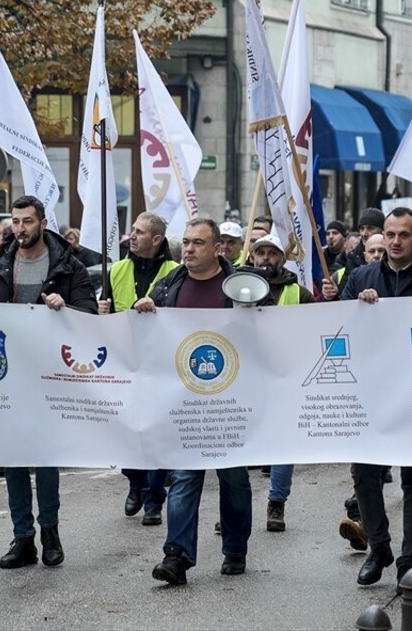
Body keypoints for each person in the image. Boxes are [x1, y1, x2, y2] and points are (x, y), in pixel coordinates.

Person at [0, 195, 97, 570]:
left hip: (50, 373)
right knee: (13, 455)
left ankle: (50, 531)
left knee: (45, 455)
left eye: (27, 222)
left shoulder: (68, 265)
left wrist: (64, 307)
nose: (20, 229)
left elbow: (88, 312)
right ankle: (23, 537)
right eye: (15, 221)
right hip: (7, 373)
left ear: (42, 222)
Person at [339, 207, 412, 587]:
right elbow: (336, 326)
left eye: (403, 235)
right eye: (389, 234)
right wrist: (355, 306)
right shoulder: (360, 278)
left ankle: (408, 557)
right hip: (371, 394)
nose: (394, 241)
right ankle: (378, 547)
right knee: (365, 474)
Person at [136, 218, 254, 585]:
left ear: (217, 248)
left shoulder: (239, 287)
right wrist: (143, 309)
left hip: (230, 403)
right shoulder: (170, 285)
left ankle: (235, 548)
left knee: (234, 480)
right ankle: (177, 556)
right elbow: (146, 327)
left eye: (198, 243)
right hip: (185, 400)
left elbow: (264, 334)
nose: (188, 249)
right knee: (184, 478)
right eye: (185, 242)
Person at [97, 213, 178, 527]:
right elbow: (103, 314)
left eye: (140, 232)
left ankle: (155, 498)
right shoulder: (117, 269)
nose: (132, 236)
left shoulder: (175, 272)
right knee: (128, 431)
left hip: (161, 363)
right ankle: (135, 482)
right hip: (125, 362)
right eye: (132, 230)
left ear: (156, 240)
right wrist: (100, 309)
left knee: (158, 433)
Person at [247, 232, 315, 533]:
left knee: (282, 444)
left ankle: (277, 502)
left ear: (282, 258)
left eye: (272, 253)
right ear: (252, 257)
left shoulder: (298, 293)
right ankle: (234, 508)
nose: (265, 259)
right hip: (246, 376)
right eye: (260, 253)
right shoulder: (238, 288)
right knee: (242, 445)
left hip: (285, 377)